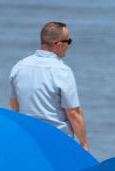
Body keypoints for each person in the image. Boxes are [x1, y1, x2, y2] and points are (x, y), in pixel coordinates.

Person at [10, 21, 89, 150]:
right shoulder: (62, 71)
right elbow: (74, 113)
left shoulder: (19, 66)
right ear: (58, 45)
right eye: (68, 41)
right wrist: (84, 144)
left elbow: (14, 103)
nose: (69, 45)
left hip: (29, 138)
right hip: (58, 141)